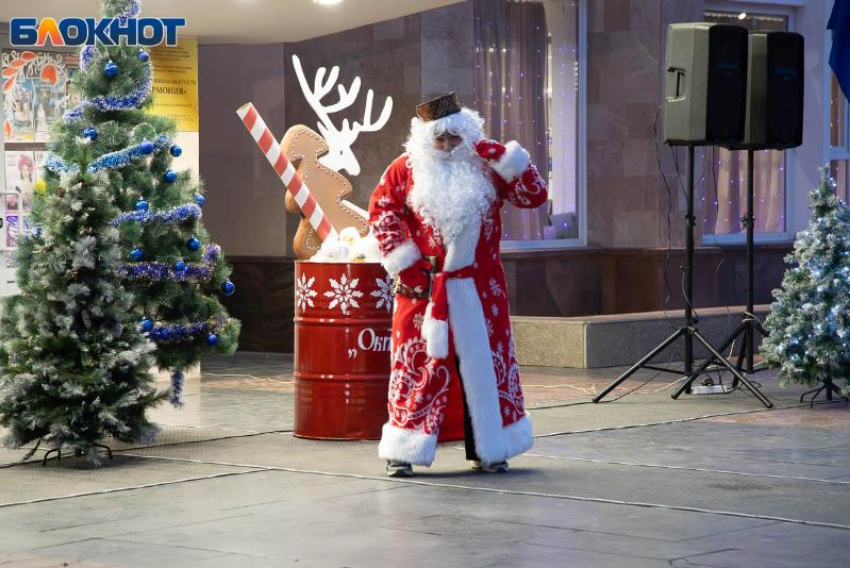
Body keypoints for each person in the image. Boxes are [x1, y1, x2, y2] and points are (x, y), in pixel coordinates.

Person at [368, 92, 548, 477]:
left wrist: (503, 155)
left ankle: (491, 447)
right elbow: (381, 212)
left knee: (485, 368)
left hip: (481, 292)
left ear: (467, 136)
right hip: (423, 289)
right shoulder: (404, 170)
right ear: (425, 139)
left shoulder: (486, 168)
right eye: (440, 139)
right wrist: (407, 266)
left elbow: (534, 195)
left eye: (455, 138)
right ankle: (402, 450)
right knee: (420, 366)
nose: (448, 147)